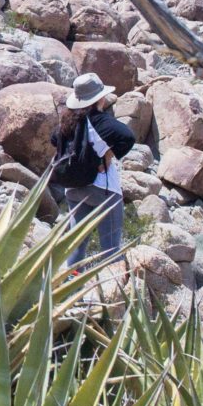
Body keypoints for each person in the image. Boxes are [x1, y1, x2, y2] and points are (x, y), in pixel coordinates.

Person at [47, 72, 137, 265]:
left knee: (76, 245)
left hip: (73, 189)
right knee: (110, 249)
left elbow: (54, 139)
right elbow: (128, 137)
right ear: (99, 98)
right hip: (103, 190)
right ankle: (114, 292)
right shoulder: (100, 120)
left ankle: (70, 288)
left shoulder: (68, 121)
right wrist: (108, 154)